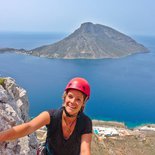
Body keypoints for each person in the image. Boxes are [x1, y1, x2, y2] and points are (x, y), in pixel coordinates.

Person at [0, 77, 92, 155]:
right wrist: (1, 136)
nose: (72, 102)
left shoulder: (85, 122)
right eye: (70, 96)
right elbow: (28, 127)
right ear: (65, 97)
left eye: (78, 99)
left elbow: (85, 150)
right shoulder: (52, 116)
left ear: (83, 103)